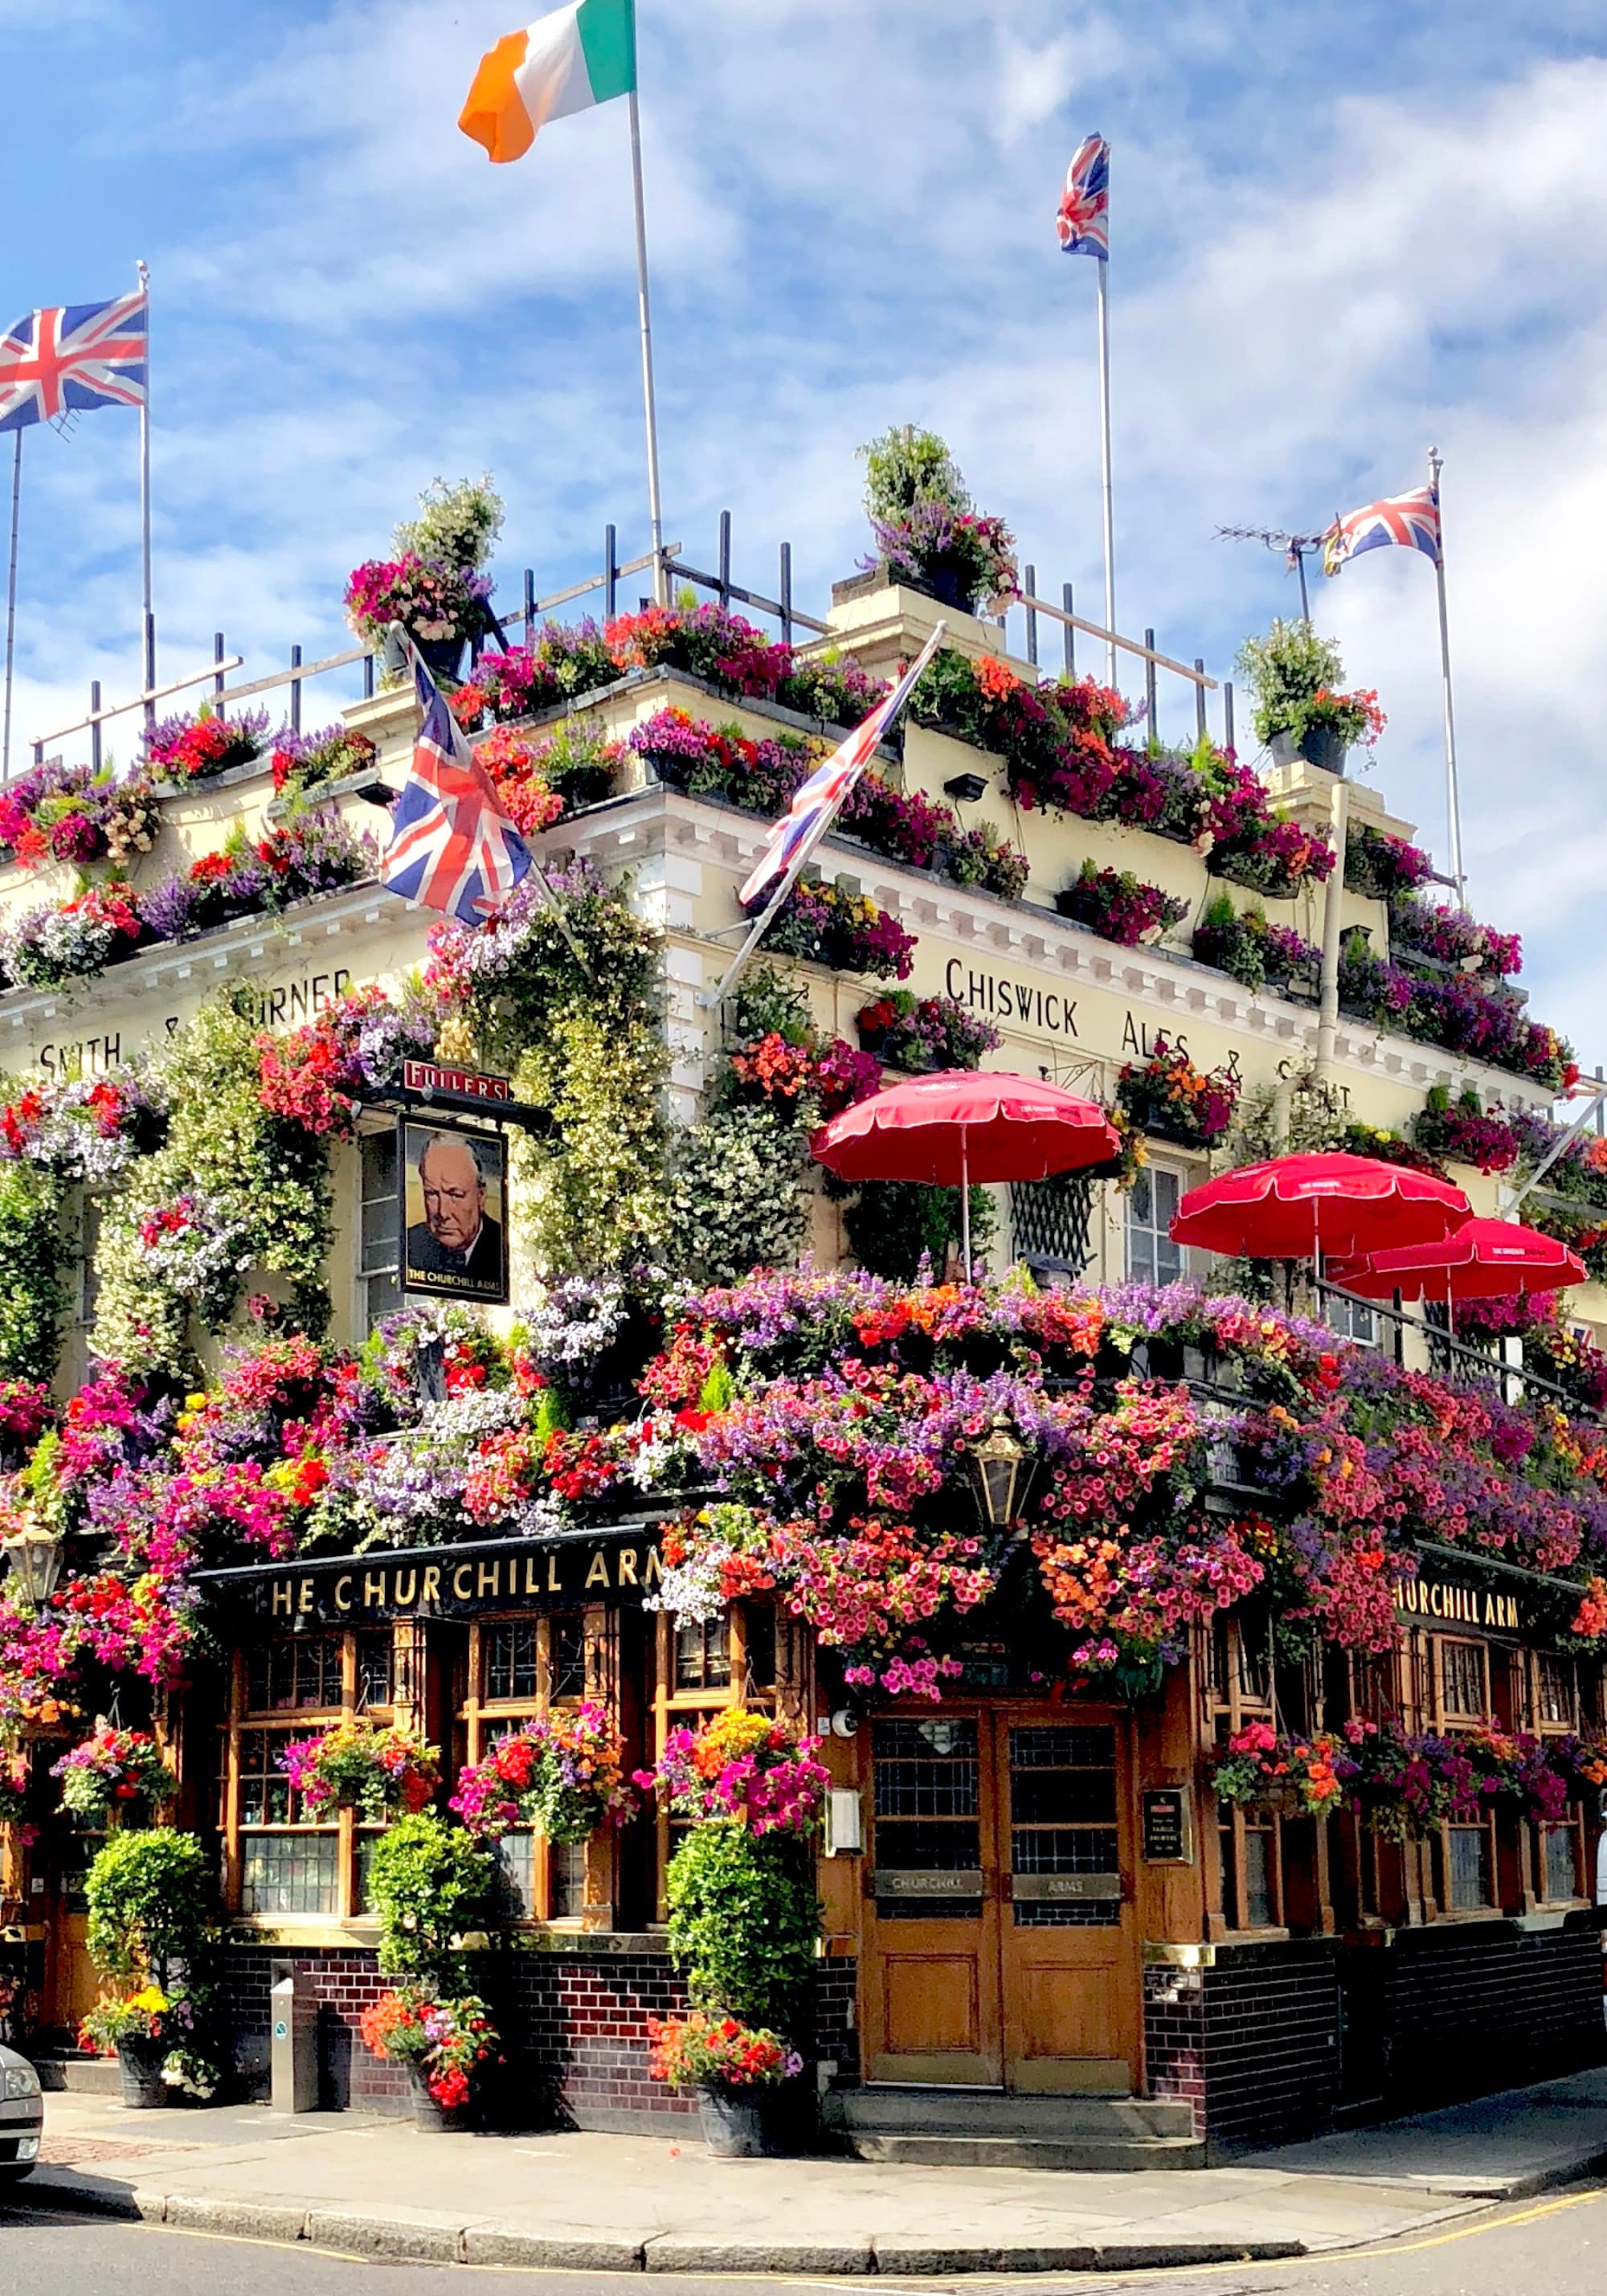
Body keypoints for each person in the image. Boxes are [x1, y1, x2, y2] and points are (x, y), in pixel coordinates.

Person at [406, 1132, 504, 1290]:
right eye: (431, 1194)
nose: (443, 1213)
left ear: (481, 1195)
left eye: (455, 1195)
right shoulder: (411, 1244)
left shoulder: (502, 1248)